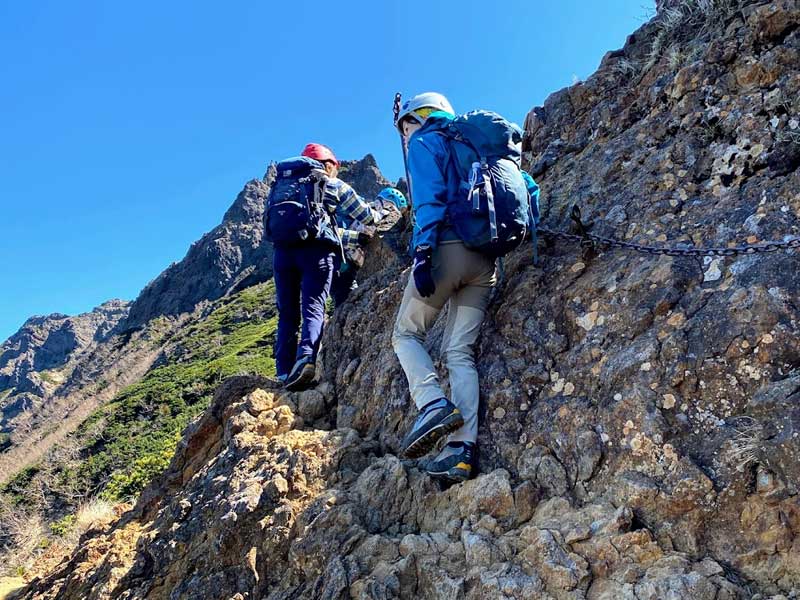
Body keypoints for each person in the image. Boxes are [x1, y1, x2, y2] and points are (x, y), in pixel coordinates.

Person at [391, 92, 540, 483]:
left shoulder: (427, 141)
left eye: (406, 126)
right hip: (486, 263)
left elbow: (428, 201)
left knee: (405, 334)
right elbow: (529, 190)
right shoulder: (484, 148)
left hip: (446, 252)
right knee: (459, 352)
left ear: (420, 117)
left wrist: (423, 253)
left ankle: (432, 405)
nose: (406, 135)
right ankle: (460, 452)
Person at [269, 143, 376, 391]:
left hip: (282, 253)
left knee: (287, 313)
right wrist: (380, 216)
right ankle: (306, 359)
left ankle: (283, 371)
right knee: (313, 306)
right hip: (316, 251)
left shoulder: (286, 187)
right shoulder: (332, 184)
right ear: (330, 165)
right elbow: (366, 216)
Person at [330, 187, 407, 306]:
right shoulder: (379, 211)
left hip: (339, 258)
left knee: (340, 295)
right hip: (345, 260)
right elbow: (371, 230)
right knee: (345, 294)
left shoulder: (363, 209)